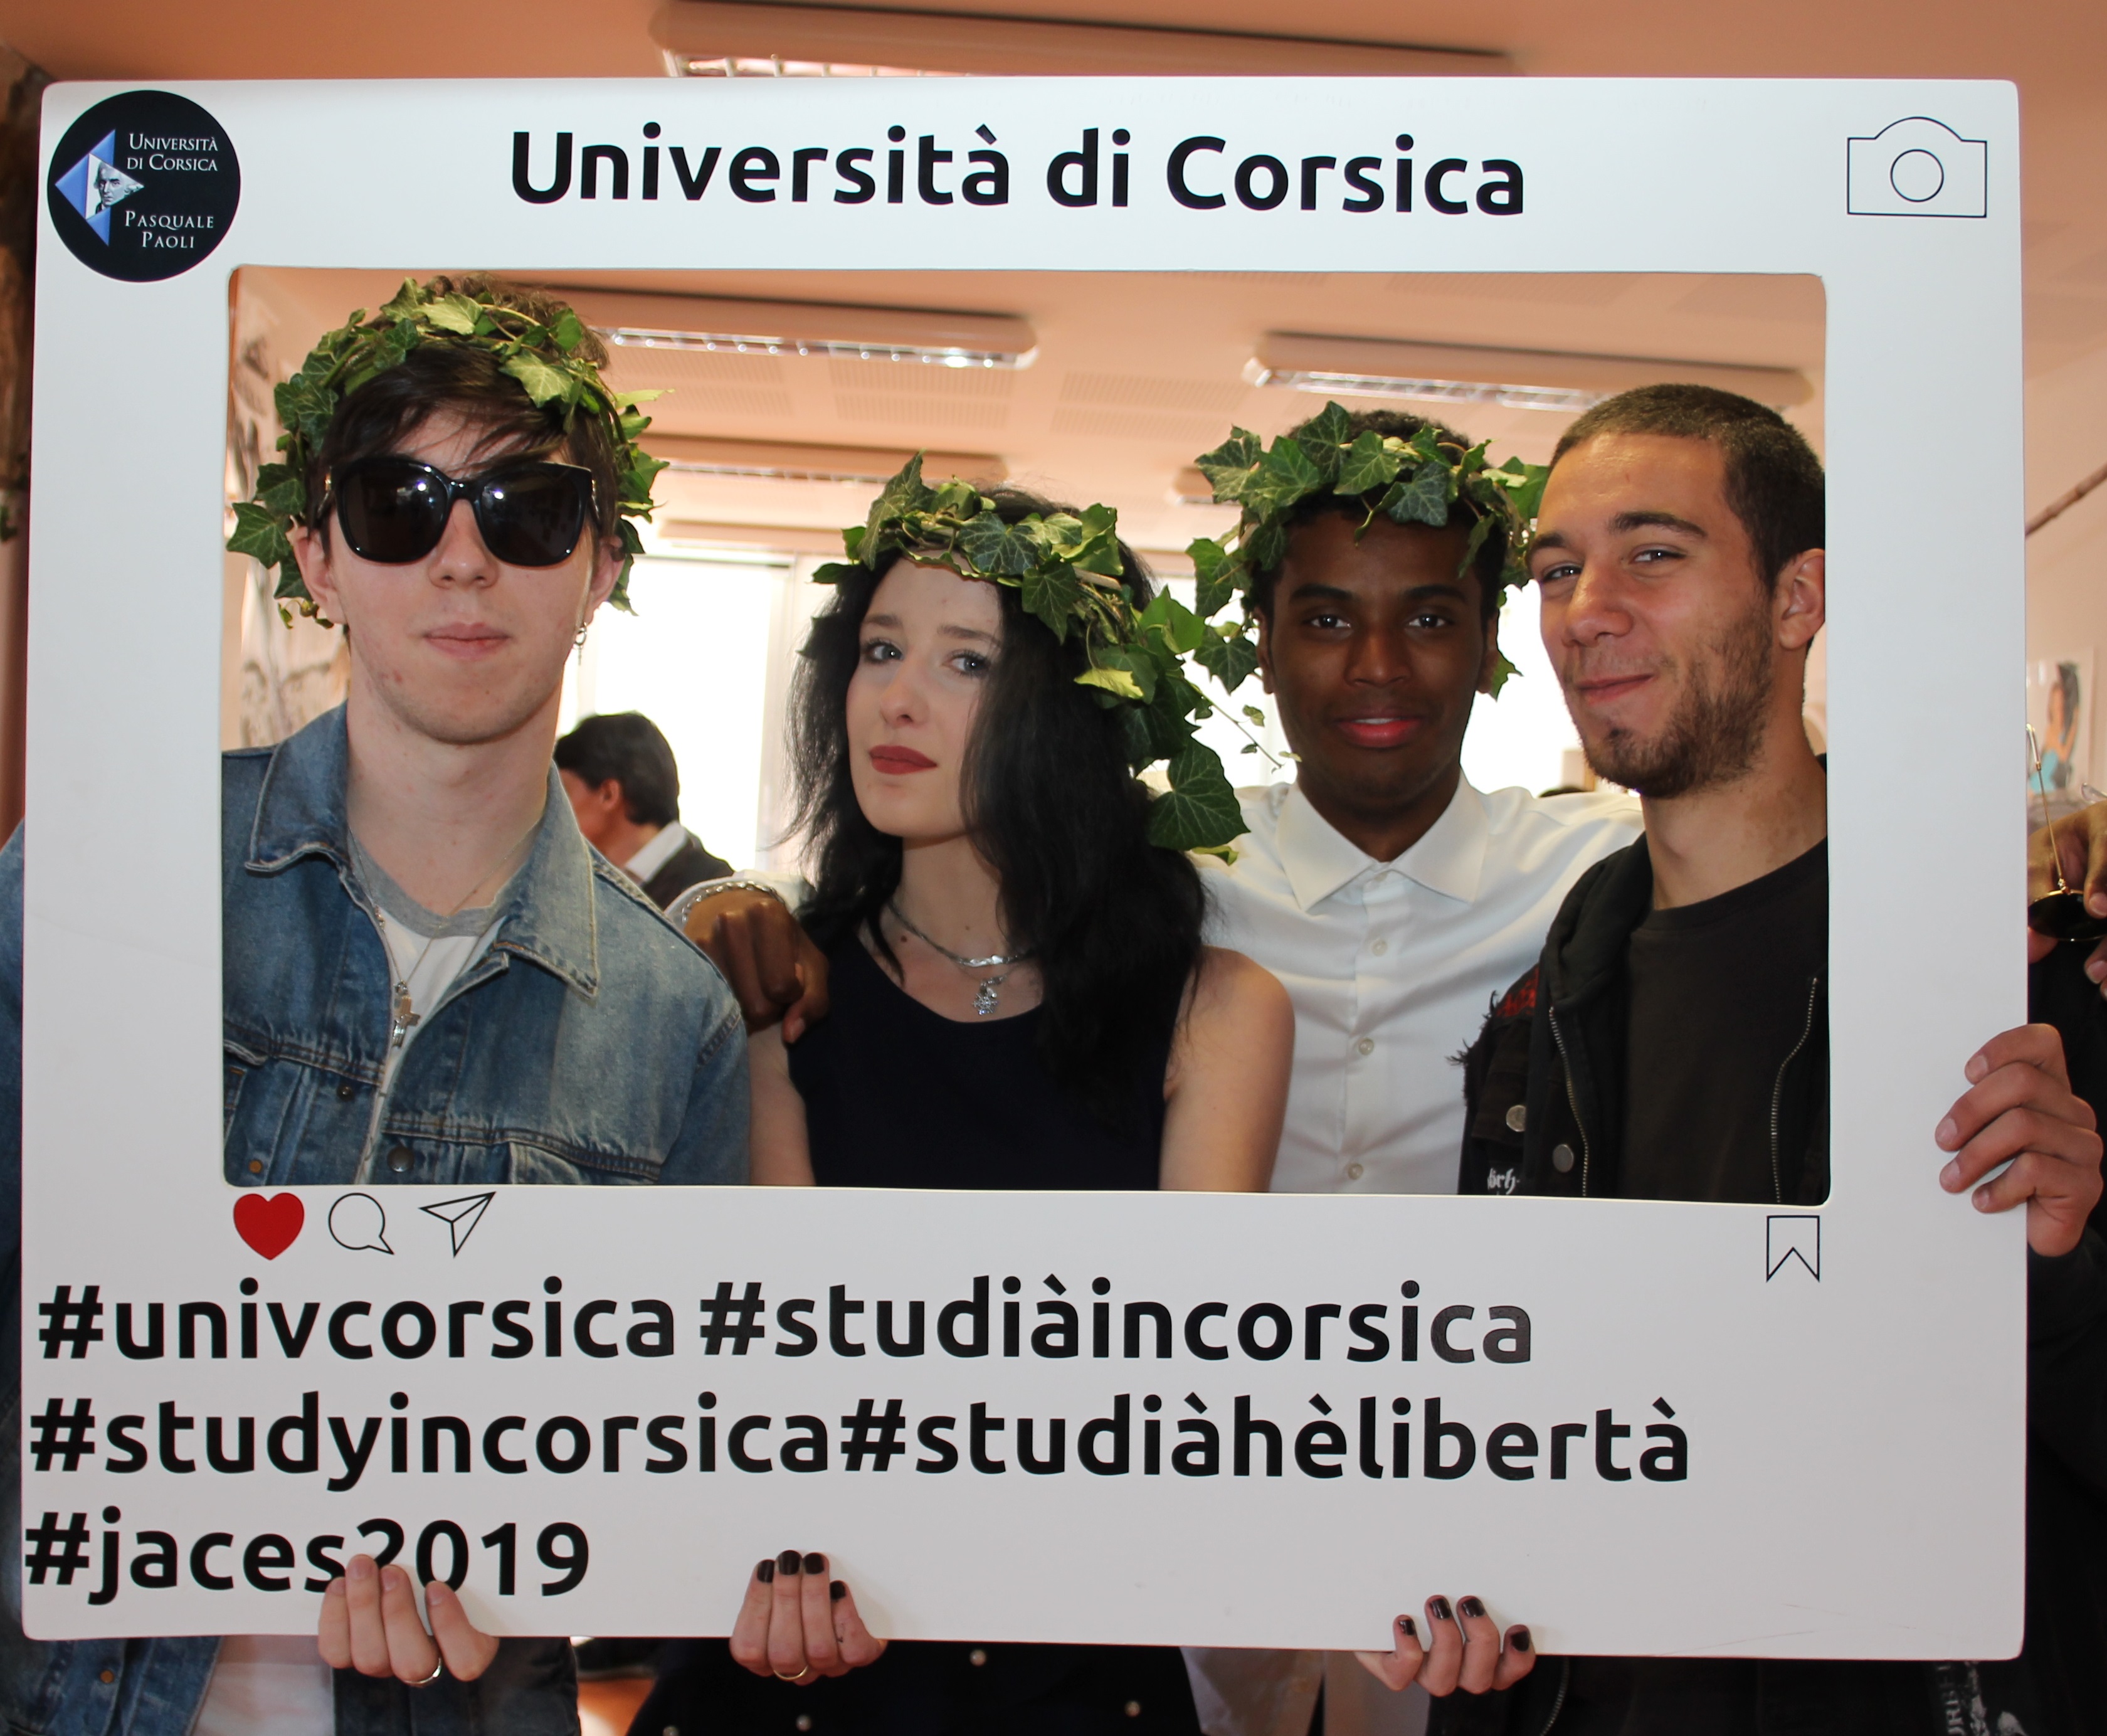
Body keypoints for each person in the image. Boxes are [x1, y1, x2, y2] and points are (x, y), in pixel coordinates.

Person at [0, 276, 749, 1736]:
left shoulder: (679, 1020)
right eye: (400, 505)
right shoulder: (105, 875)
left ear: (601, 564)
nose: (462, 558)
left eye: (528, 510)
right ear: (318, 559)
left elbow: (678, 1464)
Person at [1441, 383, 2107, 1735]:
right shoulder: (1542, 1015)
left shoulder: (2011, 986)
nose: (1587, 611)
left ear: (1800, 597)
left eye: (1653, 553)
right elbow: (1517, 1417)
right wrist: (1460, 1598)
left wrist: (2061, 1268)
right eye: (1558, 570)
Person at [636, 475, 1297, 1733]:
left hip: (1070, 1673)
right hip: (799, 1649)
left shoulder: (1214, 1011)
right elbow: (775, 1373)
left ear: (1076, 708)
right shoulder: (786, 989)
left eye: (968, 662)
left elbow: (1180, 1400)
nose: (899, 697)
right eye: (881, 649)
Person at [556, 709, 733, 906]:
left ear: (608, 794)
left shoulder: (717, 897)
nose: (553, 808)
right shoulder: (584, 879)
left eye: (563, 793)